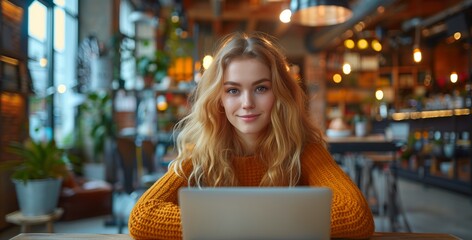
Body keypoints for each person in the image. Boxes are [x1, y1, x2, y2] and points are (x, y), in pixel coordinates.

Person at [128, 32, 374, 239]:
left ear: (279, 93)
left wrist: (224, 225)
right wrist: (271, 224)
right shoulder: (203, 153)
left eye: (261, 88)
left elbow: (356, 215)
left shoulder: (303, 149)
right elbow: (143, 216)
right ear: (219, 100)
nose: (247, 103)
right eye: (233, 90)